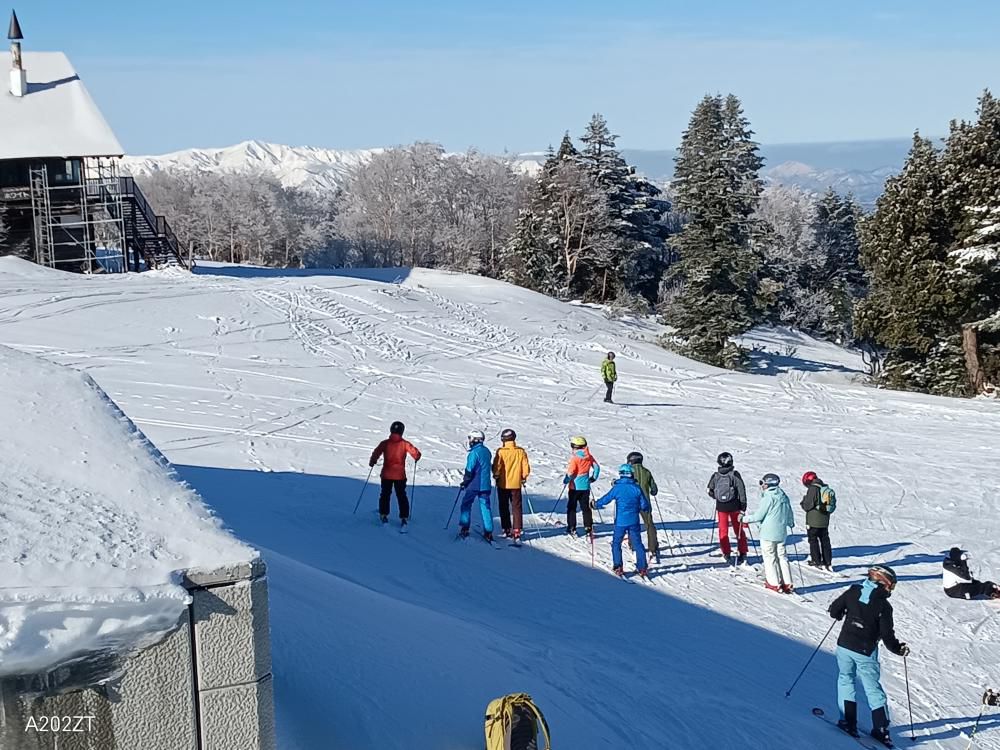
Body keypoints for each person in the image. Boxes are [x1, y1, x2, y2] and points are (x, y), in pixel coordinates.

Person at [828, 565, 910, 747]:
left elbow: (834, 611)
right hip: (866, 652)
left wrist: (842, 613)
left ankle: (848, 722)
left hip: (845, 646)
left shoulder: (853, 591)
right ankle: (881, 729)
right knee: (873, 688)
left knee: (845, 679)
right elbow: (888, 637)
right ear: (883, 582)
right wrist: (899, 649)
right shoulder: (884, 606)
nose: (891, 590)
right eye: (892, 586)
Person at [593, 464, 651, 577]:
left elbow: (606, 499)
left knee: (616, 543)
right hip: (634, 521)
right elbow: (645, 505)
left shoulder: (617, 488)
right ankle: (642, 568)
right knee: (638, 544)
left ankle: (618, 566)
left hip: (620, 522)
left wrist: (595, 504)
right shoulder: (636, 488)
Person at [743, 474, 796, 593]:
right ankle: (787, 582)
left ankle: (773, 583)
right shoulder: (783, 496)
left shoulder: (768, 498)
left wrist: (743, 519)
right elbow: (789, 512)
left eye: (762, 483)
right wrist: (790, 523)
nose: (761, 486)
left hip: (768, 533)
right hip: (781, 532)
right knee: (782, 557)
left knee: (769, 557)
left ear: (767, 484)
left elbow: (759, 516)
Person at [369, 420, 421, 528]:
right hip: (400, 475)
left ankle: (383, 514)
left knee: (385, 494)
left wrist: (372, 461)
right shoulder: (405, 444)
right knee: (401, 495)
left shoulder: (385, 443)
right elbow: (416, 453)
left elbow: (376, 452)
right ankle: (404, 517)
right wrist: (417, 457)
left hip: (386, 474)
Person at [707, 452, 748, 564]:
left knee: (723, 530)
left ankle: (726, 552)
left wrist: (716, 496)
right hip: (735, 506)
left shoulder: (716, 476)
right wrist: (743, 506)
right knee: (738, 529)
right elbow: (741, 490)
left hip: (721, 507)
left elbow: (709, 490)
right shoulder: (735, 475)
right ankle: (742, 552)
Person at [492, 428, 531, 541]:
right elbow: (525, 467)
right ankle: (517, 529)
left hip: (503, 484)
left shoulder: (501, 451)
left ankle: (506, 528)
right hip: (516, 484)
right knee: (516, 507)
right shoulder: (520, 451)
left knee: (503, 506)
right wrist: (523, 477)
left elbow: (497, 466)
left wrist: (496, 475)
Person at [459, 430, 494, 541]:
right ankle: (488, 531)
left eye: (470, 439)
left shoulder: (474, 453)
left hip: (474, 485)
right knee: (485, 507)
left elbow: (469, 470)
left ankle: (465, 528)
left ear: (475, 439)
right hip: (486, 485)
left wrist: (465, 482)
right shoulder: (487, 451)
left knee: (466, 504)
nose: (469, 441)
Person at [626, 451, 660, 561]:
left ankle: (632, 545)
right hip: (645, 502)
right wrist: (652, 491)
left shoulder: (628, 472)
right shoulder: (647, 472)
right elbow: (654, 489)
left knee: (632, 523)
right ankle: (652, 549)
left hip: (632, 502)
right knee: (649, 524)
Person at [564, 436, 600, 537]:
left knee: (572, 507)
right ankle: (588, 528)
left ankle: (572, 527)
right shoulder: (589, 456)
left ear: (575, 447)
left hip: (574, 487)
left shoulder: (575, 459)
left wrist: (566, 480)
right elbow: (597, 468)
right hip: (585, 487)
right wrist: (593, 478)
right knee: (585, 508)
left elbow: (571, 473)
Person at [801, 471, 835, 571]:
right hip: (824, 519)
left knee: (813, 540)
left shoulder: (813, 488)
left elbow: (808, 505)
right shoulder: (824, 487)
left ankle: (816, 561)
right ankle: (827, 562)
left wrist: (803, 501)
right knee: (825, 540)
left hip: (813, 519)